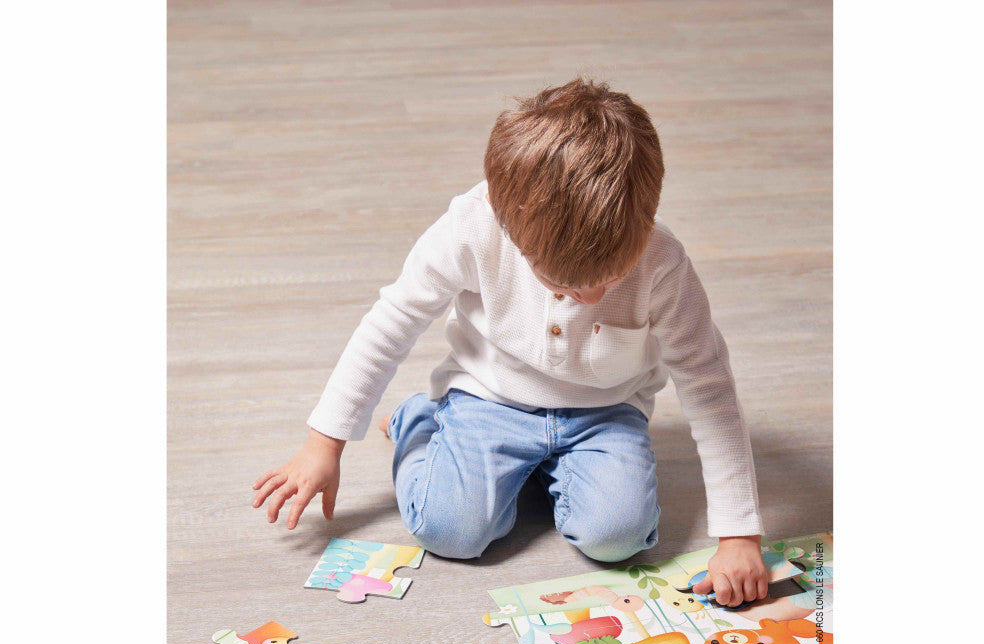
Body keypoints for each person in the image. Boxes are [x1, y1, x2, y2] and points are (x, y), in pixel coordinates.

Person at [252, 78, 768, 607]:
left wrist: (739, 536)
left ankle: (542, 471)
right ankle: (418, 419)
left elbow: (708, 385)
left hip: (604, 412)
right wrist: (324, 443)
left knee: (619, 539)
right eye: (564, 286)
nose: (591, 297)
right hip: (489, 399)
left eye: (611, 280)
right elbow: (391, 323)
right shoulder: (471, 228)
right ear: (509, 227)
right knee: (448, 531)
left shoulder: (662, 263)